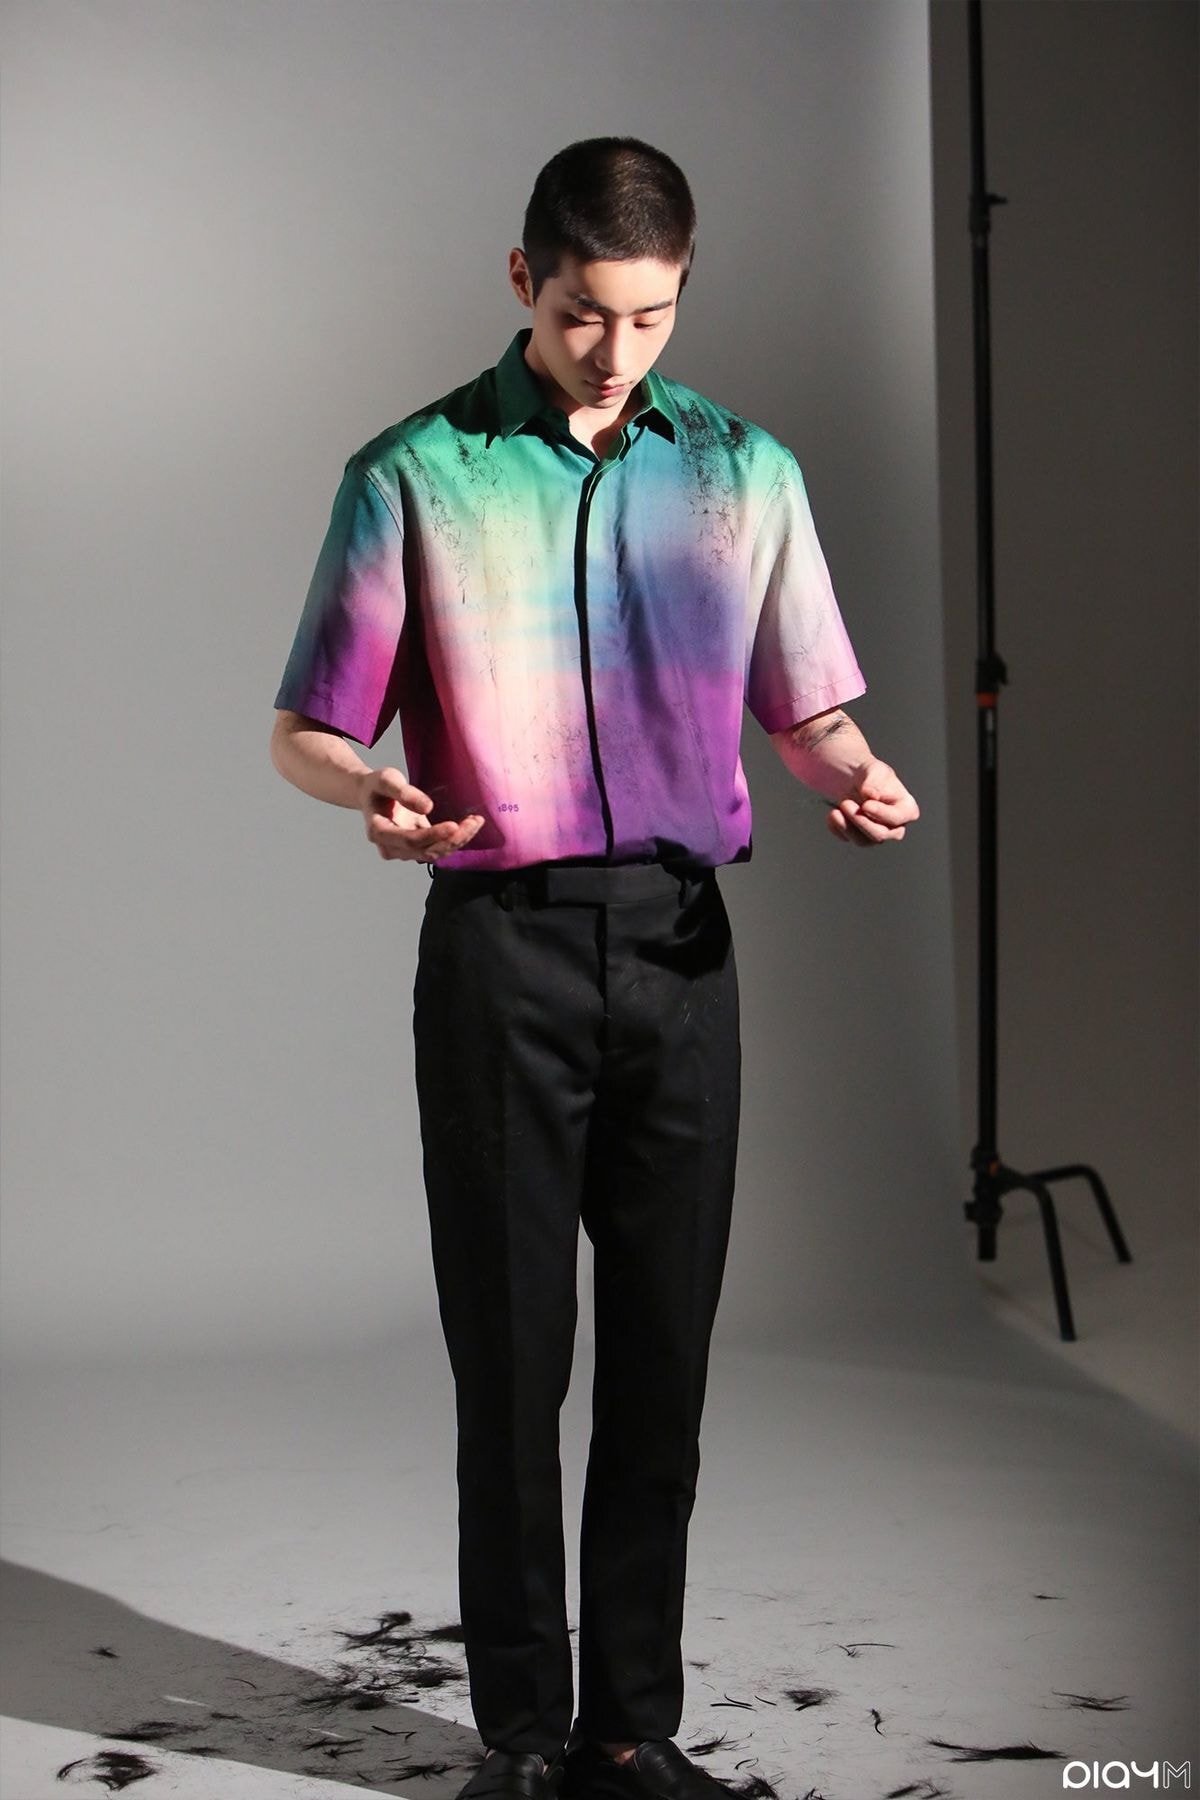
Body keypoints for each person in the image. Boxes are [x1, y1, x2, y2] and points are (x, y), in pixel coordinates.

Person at [270, 136, 919, 1800]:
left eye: (651, 317)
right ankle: (520, 1740)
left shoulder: (746, 473)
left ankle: (632, 1727)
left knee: (661, 1367)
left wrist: (853, 771)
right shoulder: (413, 472)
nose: (615, 350)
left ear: (680, 291)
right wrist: (371, 789)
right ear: (523, 280)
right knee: (511, 1370)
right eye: (581, 315)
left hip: (681, 953)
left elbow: (805, 704)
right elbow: (306, 727)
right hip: (503, 951)